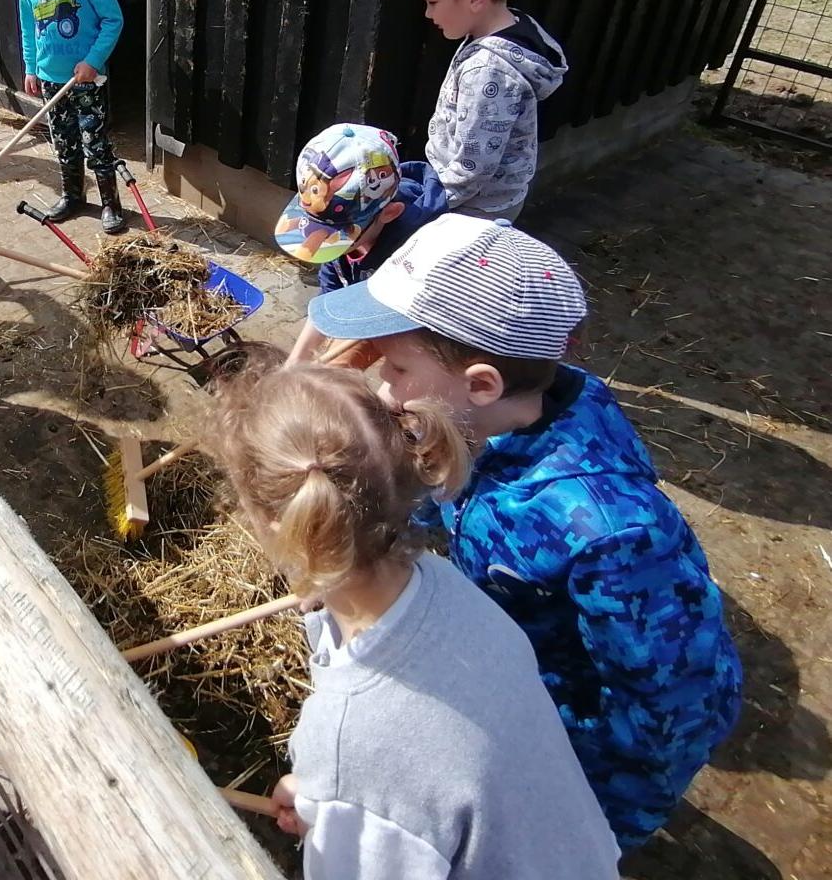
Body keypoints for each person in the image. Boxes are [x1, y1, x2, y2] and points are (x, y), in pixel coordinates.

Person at [306, 213, 743, 850]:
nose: (382, 385)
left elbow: (675, 706)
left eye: (397, 369)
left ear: (480, 383)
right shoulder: (485, 419)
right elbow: (439, 489)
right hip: (515, 671)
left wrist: (586, 807)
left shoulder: (612, 533)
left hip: (581, 743)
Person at [207, 358, 620, 879]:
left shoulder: (348, 739)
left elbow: (391, 779)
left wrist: (344, 801)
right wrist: (331, 802)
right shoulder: (446, 588)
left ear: (274, 522)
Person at [383, 0, 567, 223]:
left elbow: (473, 168)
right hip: (477, 193)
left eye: (432, 1)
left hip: (472, 207)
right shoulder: (514, 28)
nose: (427, 13)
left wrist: (423, 211)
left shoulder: (488, 70)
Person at [272, 123, 447, 366]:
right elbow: (329, 299)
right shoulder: (346, 220)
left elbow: (402, 335)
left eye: (335, 234)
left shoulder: (416, 250)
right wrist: (295, 362)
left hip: (415, 330)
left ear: (390, 213)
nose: (323, 240)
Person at [13, 0, 127, 233]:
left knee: (95, 139)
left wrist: (93, 61)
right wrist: (31, 66)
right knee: (63, 140)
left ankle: (110, 202)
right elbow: (28, 25)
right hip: (50, 77)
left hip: (86, 80)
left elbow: (113, 19)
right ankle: (73, 194)